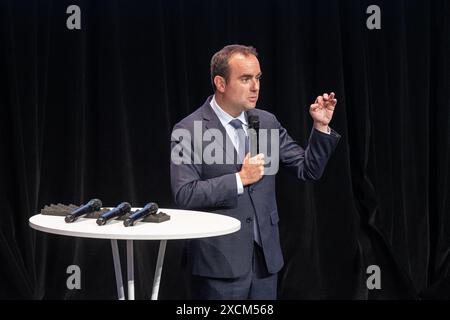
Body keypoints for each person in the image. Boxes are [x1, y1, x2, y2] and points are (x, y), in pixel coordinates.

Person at [170, 44, 340, 299]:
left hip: (264, 262)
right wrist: (239, 179)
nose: (255, 87)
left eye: (258, 78)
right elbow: (184, 194)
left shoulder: (266, 122)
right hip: (219, 264)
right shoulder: (189, 129)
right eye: (245, 79)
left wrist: (320, 127)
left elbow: (309, 169)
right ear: (221, 82)